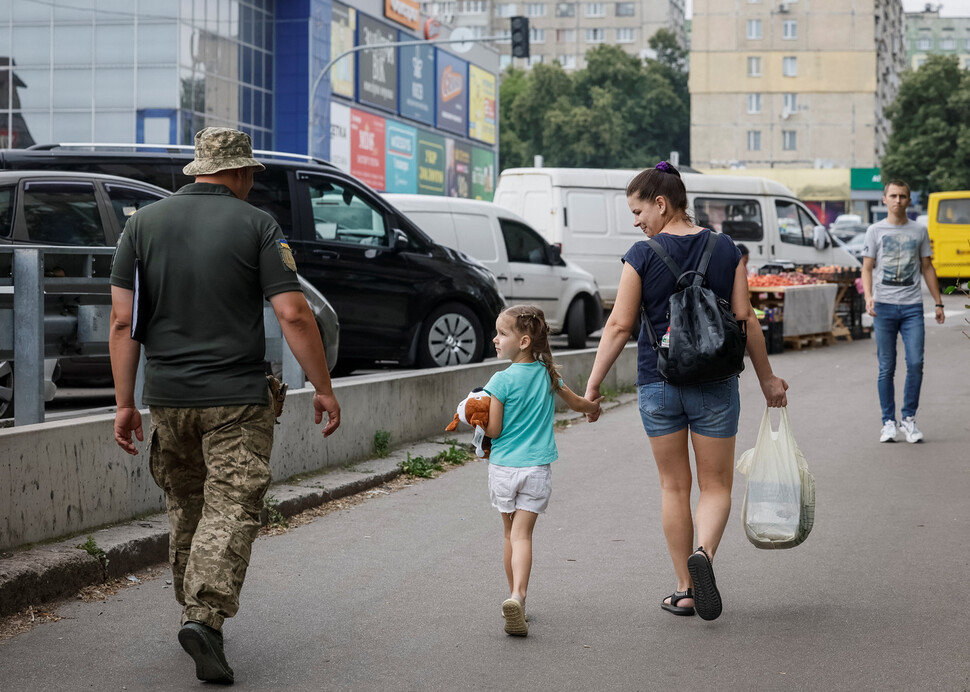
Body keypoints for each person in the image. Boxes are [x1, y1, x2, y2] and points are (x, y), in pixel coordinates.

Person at [108, 127, 341, 684]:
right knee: (233, 505)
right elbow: (293, 313)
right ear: (238, 173)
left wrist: (124, 403)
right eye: (250, 176)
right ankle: (204, 617)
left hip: (167, 400)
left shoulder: (140, 225)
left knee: (187, 507)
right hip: (237, 400)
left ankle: (194, 612)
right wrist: (324, 388)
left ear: (199, 169)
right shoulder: (257, 224)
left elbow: (122, 322)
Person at [583, 162, 788, 621]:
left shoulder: (641, 254)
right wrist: (767, 379)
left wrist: (593, 386)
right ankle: (705, 557)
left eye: (638, 211)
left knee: (674, 487)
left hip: (659, 384)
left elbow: (618, 325)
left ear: (660, 203)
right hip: (715, 382)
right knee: (715, 487)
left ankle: (685, 590)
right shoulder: (726, 249)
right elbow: (745, 318)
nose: (636, 222)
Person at [482, 304, 601, 637]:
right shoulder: (548, 374)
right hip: (535, 470)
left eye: (501, 333)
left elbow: (493, 430)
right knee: (524, 536)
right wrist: (593, 408)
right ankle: (519, 596)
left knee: (509, 535)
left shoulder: (500, 380)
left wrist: (477, 416)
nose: (495, 339)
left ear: (522, 341)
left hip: (504, 468)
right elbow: (578, 403)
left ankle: (514, 597)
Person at [861, 179, 945, 444]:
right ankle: (888, 421)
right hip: (884, 307)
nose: (898, 200)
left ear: (909, 200)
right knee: (886, 367)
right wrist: (869, 297)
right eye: (893, 196)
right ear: (884, 199)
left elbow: (927, 267)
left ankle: (908, 419)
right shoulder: (875, 230)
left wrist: (938, 302)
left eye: (903, 196)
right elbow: (866, 267)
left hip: (912, 308)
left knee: (916, 363)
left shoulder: (919, 230)